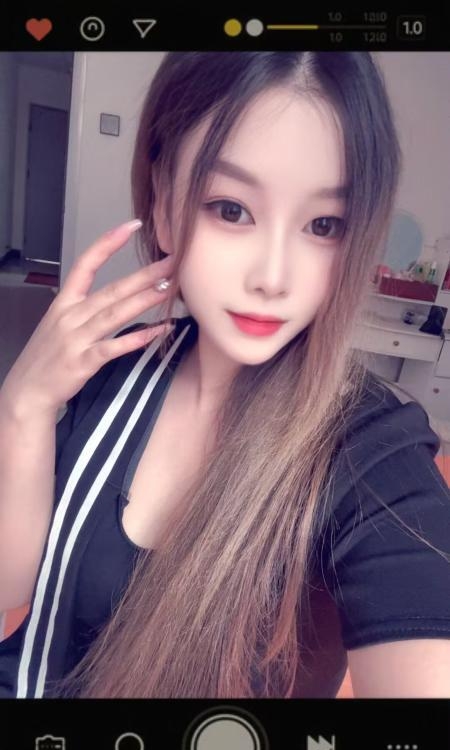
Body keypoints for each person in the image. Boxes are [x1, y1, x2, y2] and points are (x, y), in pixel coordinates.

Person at [1, 51, 450, 700]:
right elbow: (12, 587)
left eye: (323, 225)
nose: (273, 276)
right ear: (163, 205)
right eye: (231, 209)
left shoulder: (369, 448)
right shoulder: (110, 374)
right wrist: (24, 405)